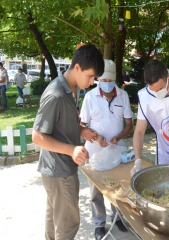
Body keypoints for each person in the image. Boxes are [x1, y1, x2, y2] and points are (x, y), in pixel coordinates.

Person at [32, 45, 104, 240]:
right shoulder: (55, 95)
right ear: (77, 68)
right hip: (59, 170)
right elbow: (37, 136)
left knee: (54, 218)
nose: (91, 82)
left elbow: (62, 124)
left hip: (60, 168)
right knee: (67, 224)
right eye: (90, 76)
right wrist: (72, 149)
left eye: (94, 79)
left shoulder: (73, 87)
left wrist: (82, 131)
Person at [80, 59, 133, 240]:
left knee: (117, 185)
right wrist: (95, 137)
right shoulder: (90, 97)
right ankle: (99, 223)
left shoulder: (123, 96)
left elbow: (129, 124)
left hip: (116, 150)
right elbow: (82, 126)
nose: (108, 84)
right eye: (104, 81)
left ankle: (117, 217)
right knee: (96, 189)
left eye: (110, 81)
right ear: (98, 80)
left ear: (115, 79)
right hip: (94, 151)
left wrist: (118, 137)